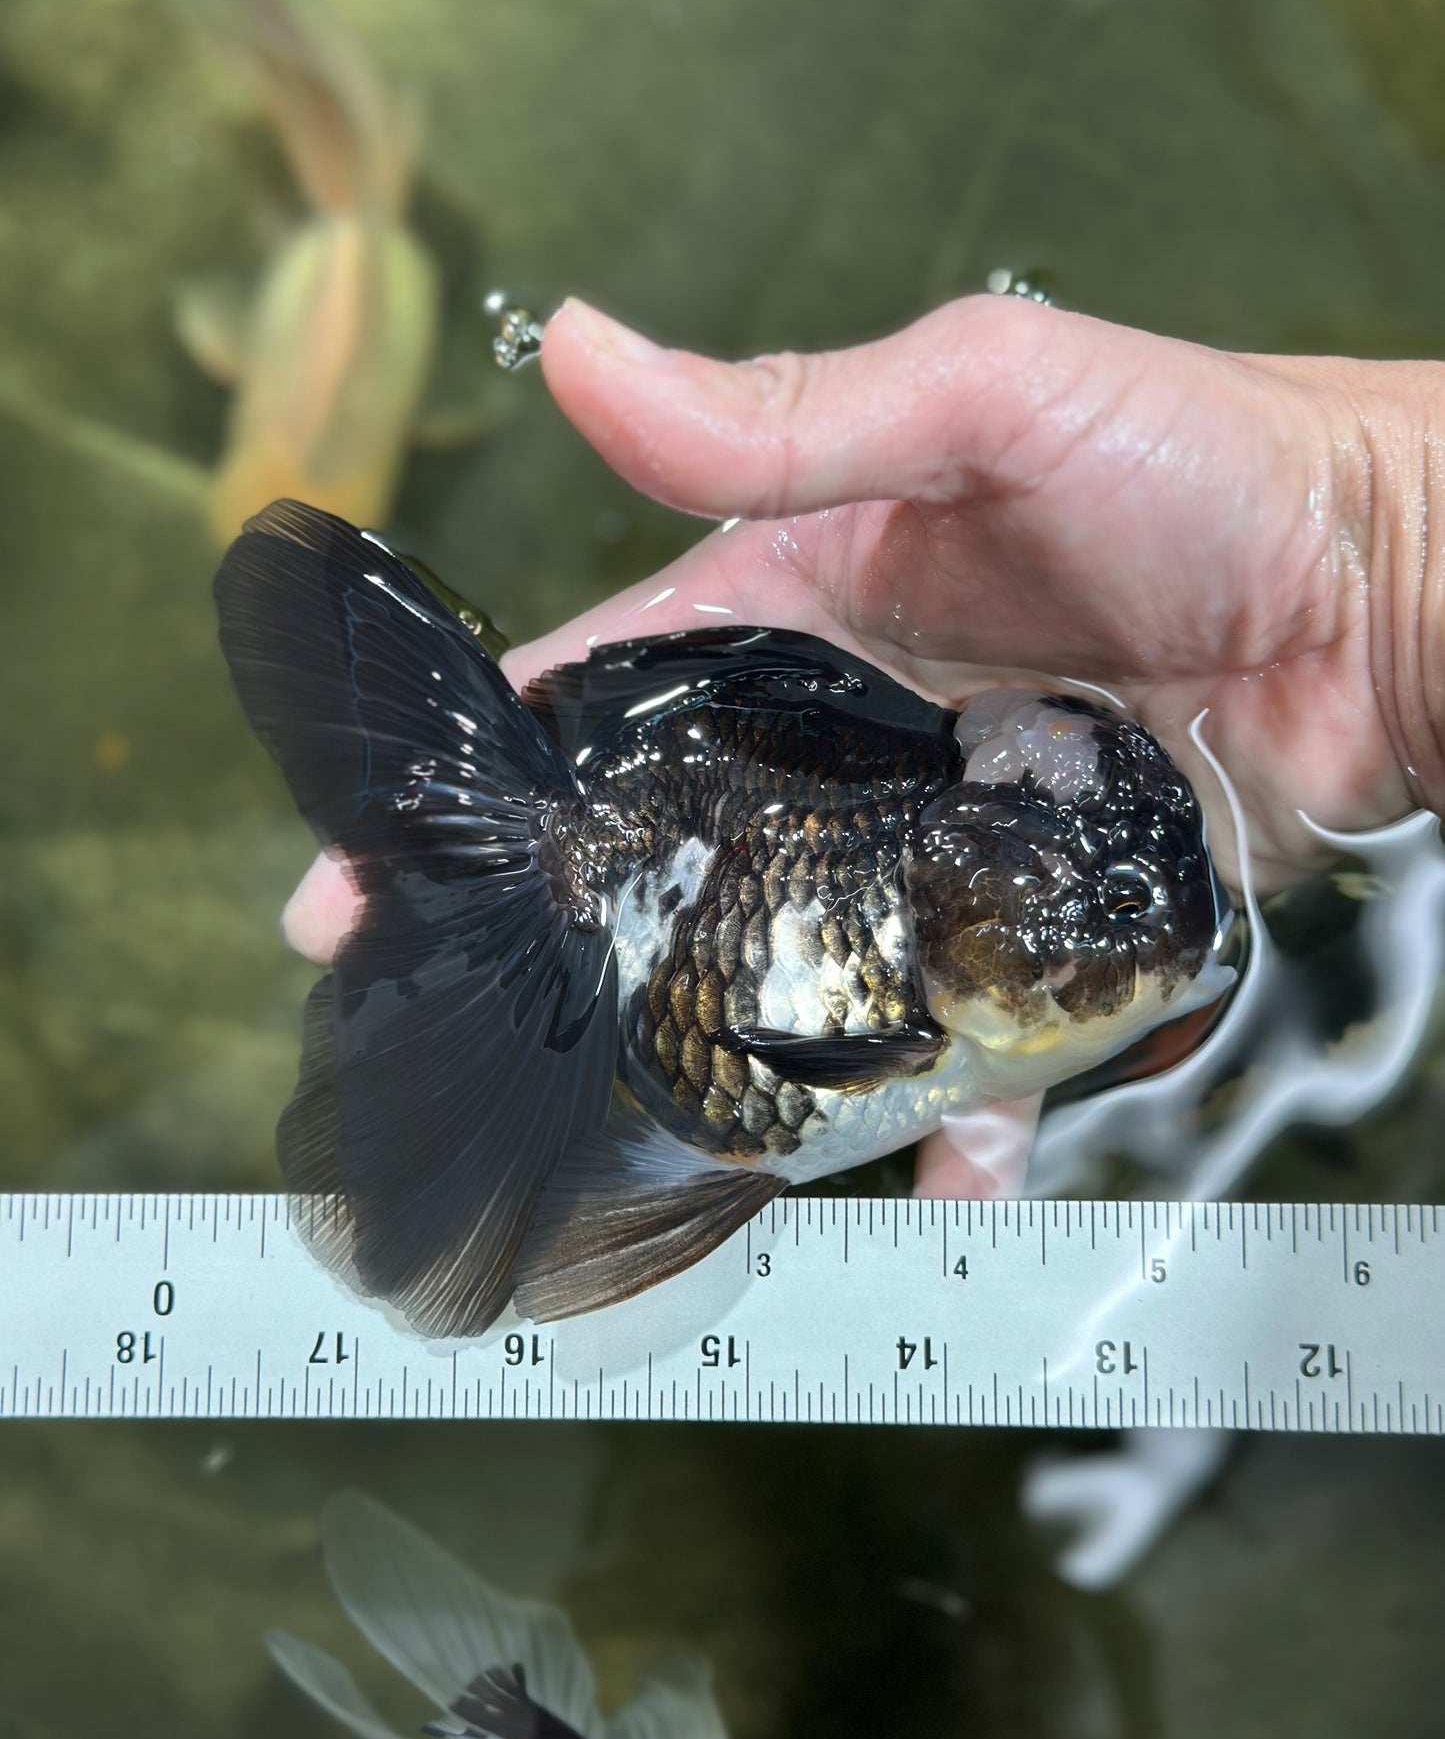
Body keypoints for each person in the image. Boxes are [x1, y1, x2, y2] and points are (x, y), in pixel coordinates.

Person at [281, 291, 1445, 1194]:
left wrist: (1384, 542)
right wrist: (1376, 547)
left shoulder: (983, 915)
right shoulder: (926, 990)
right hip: (678, 838)